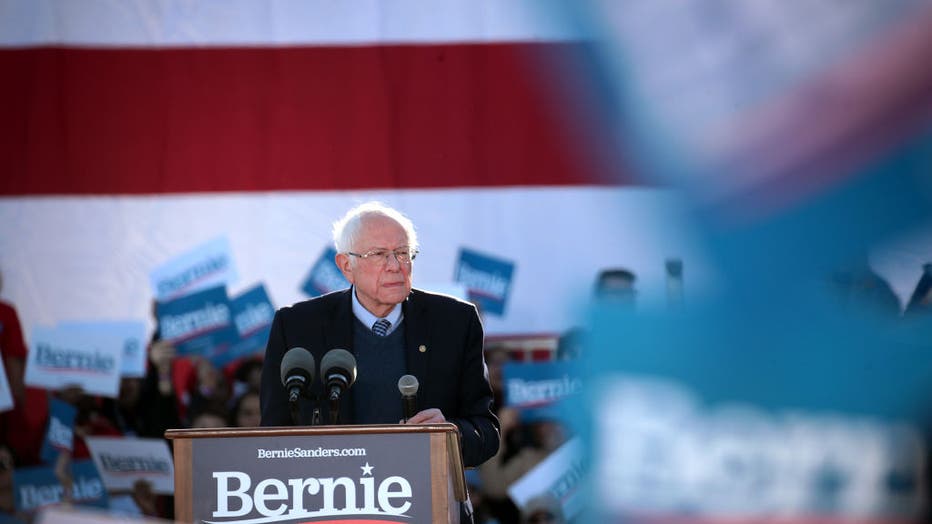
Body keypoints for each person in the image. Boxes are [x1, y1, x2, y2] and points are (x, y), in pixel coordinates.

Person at [260, 201, 500, 469]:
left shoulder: (455, 322)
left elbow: (486, 431)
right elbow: (272, 434)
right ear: (346, 266)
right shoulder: (297, 326)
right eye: (379, 254)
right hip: (329, 497)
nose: (395, 265)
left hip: (425, 495)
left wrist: (450, 434)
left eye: (402, 252)